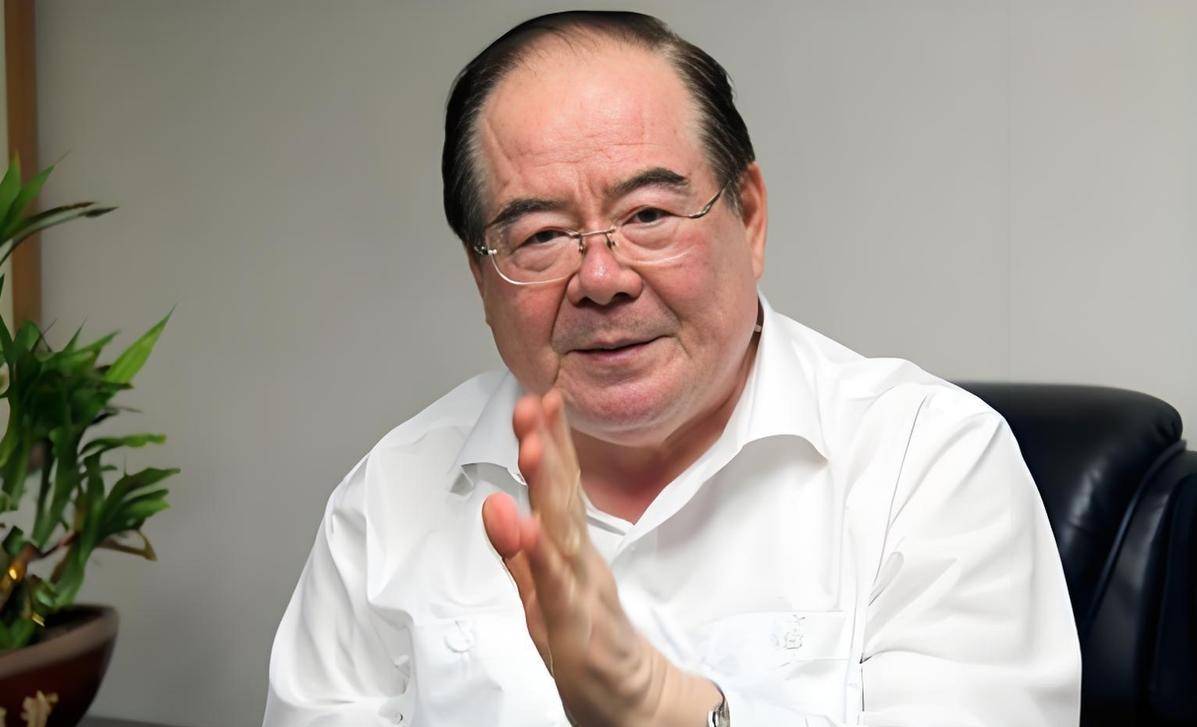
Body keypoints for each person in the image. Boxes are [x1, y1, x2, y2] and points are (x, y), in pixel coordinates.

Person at [263, 10, 1081, 727]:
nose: (600, 277)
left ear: (748, 217)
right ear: (482, 278)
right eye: (540, 236)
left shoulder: (927, 465)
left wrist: (669, 713)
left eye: (648, 214)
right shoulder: (388, 500)